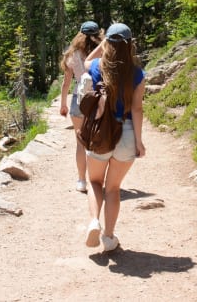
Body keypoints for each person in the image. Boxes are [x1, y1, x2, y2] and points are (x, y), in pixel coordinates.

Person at [83, 22, 145, 252]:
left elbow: (84, 62)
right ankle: (108, 237)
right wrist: (139, 141)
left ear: (108, 43)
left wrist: (103, 45)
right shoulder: (137, 73)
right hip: (126, 132)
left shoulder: (97, 66)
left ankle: (93, 221)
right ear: (130, 46)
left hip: (101, 131)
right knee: (113, 188)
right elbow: (137, 110)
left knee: (94, 182)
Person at [59, 21, 103, 192]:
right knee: (98, 140)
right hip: (99, 99)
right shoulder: (103, 52)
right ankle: (97, 180)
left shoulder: (72, 55)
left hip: (78, 98)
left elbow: (66, 83)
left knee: (80, 144)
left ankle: (81, 181)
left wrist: (63, 104)